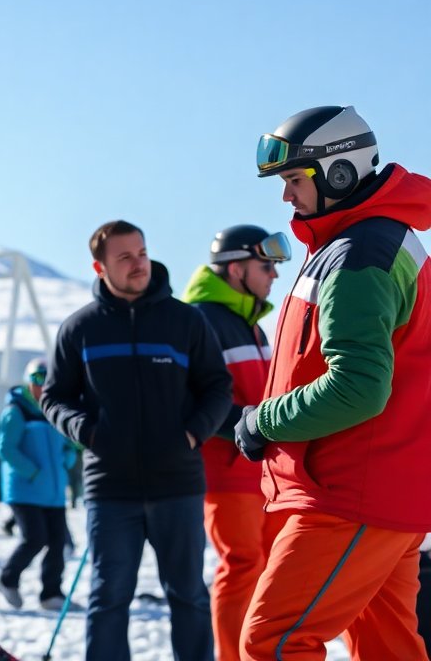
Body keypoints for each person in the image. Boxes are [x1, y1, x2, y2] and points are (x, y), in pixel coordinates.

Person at [236, 105, 431, 660]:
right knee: (387, 648)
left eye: (294, 180)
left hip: (351, 494)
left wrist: (263, 420)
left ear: (339, 172)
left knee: (274, 642)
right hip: (377, 490)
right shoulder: (359, 243)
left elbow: (358, 386)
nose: (285, 196)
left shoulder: (358, 255)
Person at [42, 221, 232, 661]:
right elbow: (53, 397)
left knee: (188, 594)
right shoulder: (80, 328)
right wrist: (88, 432)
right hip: (110, 488)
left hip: (178, 483)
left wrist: (192, 433)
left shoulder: (186, 321)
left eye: (142, 253)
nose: (138, 263)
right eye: (125, 257)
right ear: (100, 267)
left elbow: (218, 387)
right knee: (108, 598)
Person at [182, 224, 290, 661]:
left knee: (272, 568)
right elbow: (193, 400)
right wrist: (253, 427)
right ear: (236, 268)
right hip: (226, 471)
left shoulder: (252, 326)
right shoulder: (200, 321)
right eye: (266, 266)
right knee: (243, 564)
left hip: (265, 471)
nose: (274, 275)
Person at [0, 359, 76, 611]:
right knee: (35, 539)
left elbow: (67, 445)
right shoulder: (16, 410)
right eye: (37, 378)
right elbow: (5, 448)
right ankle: (7, 578)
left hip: (53, 492)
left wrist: (67, 458)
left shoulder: (55, 410)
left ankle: (51, 594)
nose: (43, 384)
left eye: (48, 378)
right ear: (28, 380)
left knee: (58, 542)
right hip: (25, 490)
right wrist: (33, 472)